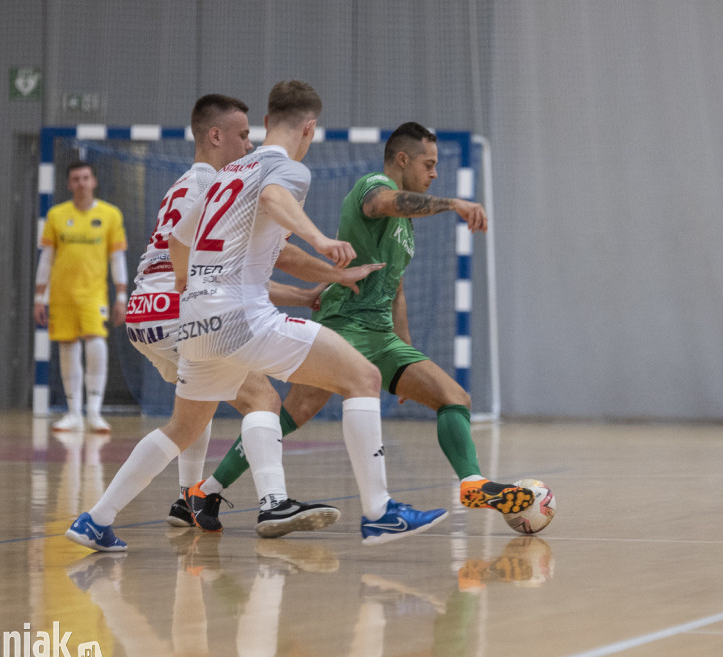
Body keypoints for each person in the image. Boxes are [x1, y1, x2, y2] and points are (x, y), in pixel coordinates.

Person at [66, 81, 446, 552]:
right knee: (364, 377)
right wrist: (320, 241)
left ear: (267, 123)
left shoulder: (223, 173)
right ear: (309, 129)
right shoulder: (287, 170)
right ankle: (379, 512)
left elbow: (180, 239)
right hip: (242, 318)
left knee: (183, 428)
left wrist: (189, 288)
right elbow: (272, 201)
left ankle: (96, 519)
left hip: (196, 321)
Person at [187, 122, 536, 531]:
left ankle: (473, 484)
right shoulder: (373, 187)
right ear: (402, 160)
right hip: (344, 327)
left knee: (454, 397)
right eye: (429, 164)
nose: (435, 173)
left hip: (382, 337)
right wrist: (452, 204)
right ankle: (204, 491)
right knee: (291, 413)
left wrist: (407, 359)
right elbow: (386, 202)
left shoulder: (405, 229)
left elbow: (397, 291)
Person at [124, 93, 384, 529]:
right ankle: (274, 501)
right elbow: (276, 253)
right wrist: (331, 264)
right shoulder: (226, 182)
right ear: (215, 135)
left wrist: (302, 296)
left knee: (193, 412)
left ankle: (184, 500)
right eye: (243, 135)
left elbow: (196, 254)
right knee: (263, 397)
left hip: (145, 309)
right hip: (181, 308)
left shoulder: (184, 183)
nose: (248, 145)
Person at [34, 161, 128, 433]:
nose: (81, 183)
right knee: (67, 348)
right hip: (62, 295)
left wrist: (121, 296)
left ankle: (94, 412)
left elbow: (117, 258)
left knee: (96, 344)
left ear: (94, 181)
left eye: (86, 178)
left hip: (93, 295)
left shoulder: (110, 215)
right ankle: (73, 412)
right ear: (69, 184)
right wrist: (39, 299)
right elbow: (46, 259)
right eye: (75, 179)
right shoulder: (56, 215)